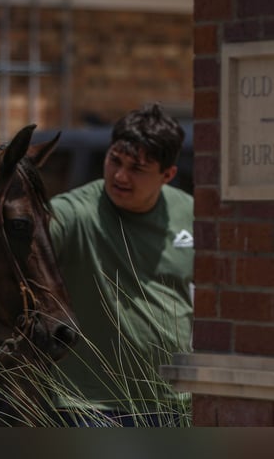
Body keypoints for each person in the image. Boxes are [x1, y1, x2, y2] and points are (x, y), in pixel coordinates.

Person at [48, 103, 194, 427]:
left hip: (176, 402)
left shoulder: (191, 213)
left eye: (137, 169)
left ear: (168, 175)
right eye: (115, 160)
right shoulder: (74, 213)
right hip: (93, 406)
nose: (120, 176)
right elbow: (22, 243)